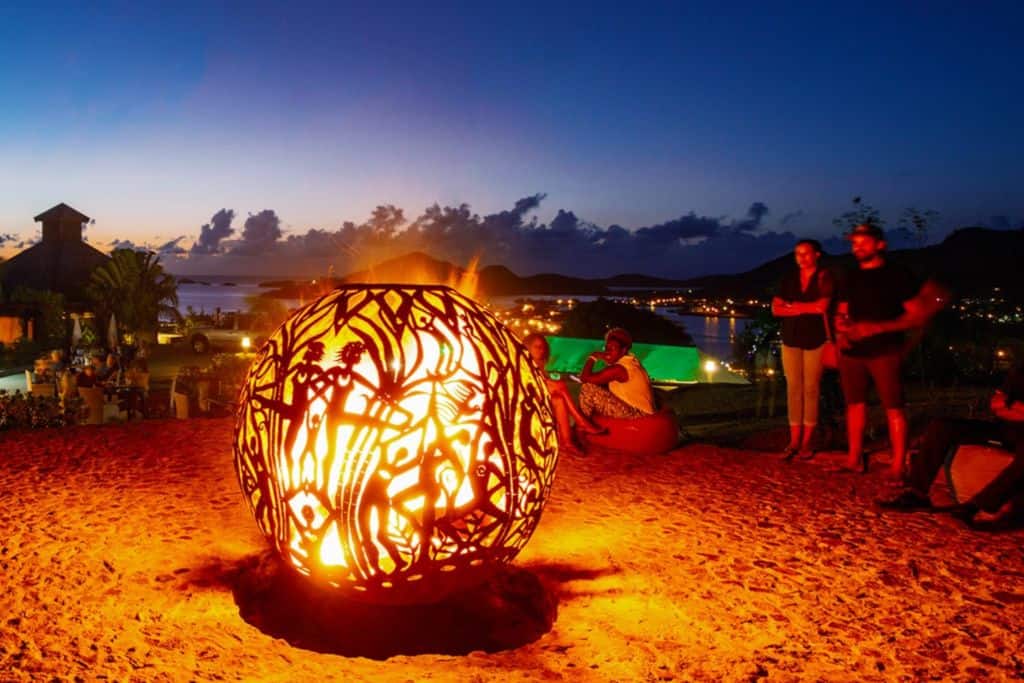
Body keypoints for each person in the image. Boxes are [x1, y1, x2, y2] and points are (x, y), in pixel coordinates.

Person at [832, 224, 946, 478]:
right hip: (853, 350)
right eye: (854, 243)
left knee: (893, 407)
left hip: (885, 350)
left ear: (880, 244)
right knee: (854, 405)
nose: (857, 247)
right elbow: (842, 310)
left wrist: (879, 327)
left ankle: (898, 465)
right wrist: (841, 330)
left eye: (863, 242)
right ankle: (854, 459)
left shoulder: (897, 275)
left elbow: (916, 315)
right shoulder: (850, 276)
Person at [877, 362, 1024, 528]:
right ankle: (917, 492)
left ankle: (976, 507)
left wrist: (1011, 405)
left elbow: (1004, 405)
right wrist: (1012, 408)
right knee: (942, 426)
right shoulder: (1020, 371)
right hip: (1003, 429)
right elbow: (995, 404)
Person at [772, 239, 835, 460]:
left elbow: (823, 307)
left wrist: (793, 307)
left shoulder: (824, 278)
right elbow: (776, 309)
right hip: (790, 339)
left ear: (817, 254)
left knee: (811, 389)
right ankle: (794, 440)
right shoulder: (789, 279)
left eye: (806, 253)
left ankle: (807, 441)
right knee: (793, 389)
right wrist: (805, 309)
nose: (802, 257)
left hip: (816, 340)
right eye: (798, 253)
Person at [523, 333, 603, 455]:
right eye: (536, 346)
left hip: (538, 397)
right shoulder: (522, 362)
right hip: (525, 399)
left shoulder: (539, 365)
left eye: (542, 346)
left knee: (558, 399)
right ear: (527, 347)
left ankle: (567, 442)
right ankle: (580, 421)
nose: (541, 349)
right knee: (560, 385)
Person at [579, 327, 656, 419]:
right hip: (643, 413)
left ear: (623, 350)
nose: (607, 352)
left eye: (612, 348)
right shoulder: (632, 362)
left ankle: (583, 425)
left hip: (638, 415)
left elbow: (584, 378)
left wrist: (593, 356)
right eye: (606, 348)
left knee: (588, 388)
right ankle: (586, 423)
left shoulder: (619, 368)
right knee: (599, 388)